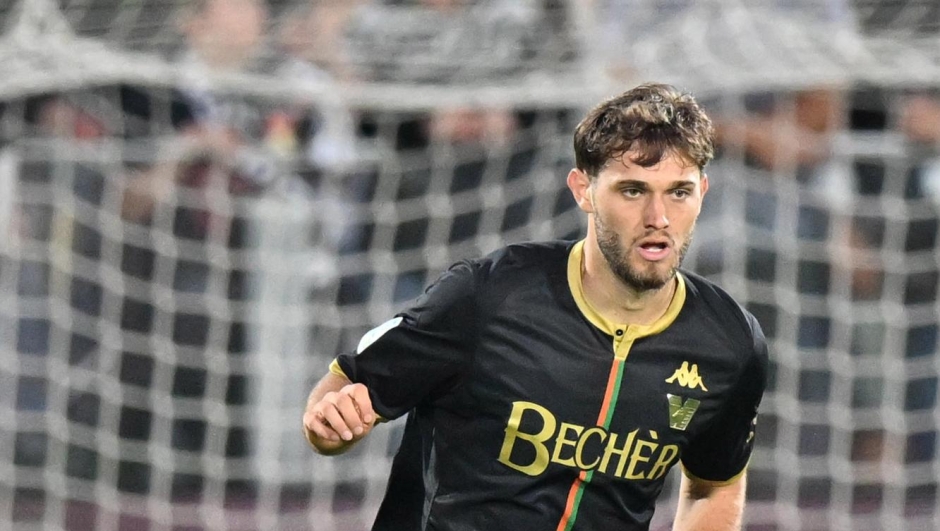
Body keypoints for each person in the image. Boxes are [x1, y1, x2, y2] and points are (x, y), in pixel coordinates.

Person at [303, 83, 769, 531]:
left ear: (702, 193)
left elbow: (715, 485)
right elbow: (345, 385)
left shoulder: (729, 343)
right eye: (632, 190)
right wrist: (331, 424)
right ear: (583, 190)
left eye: (679, 192)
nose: (658, 218)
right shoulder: (488, 296)